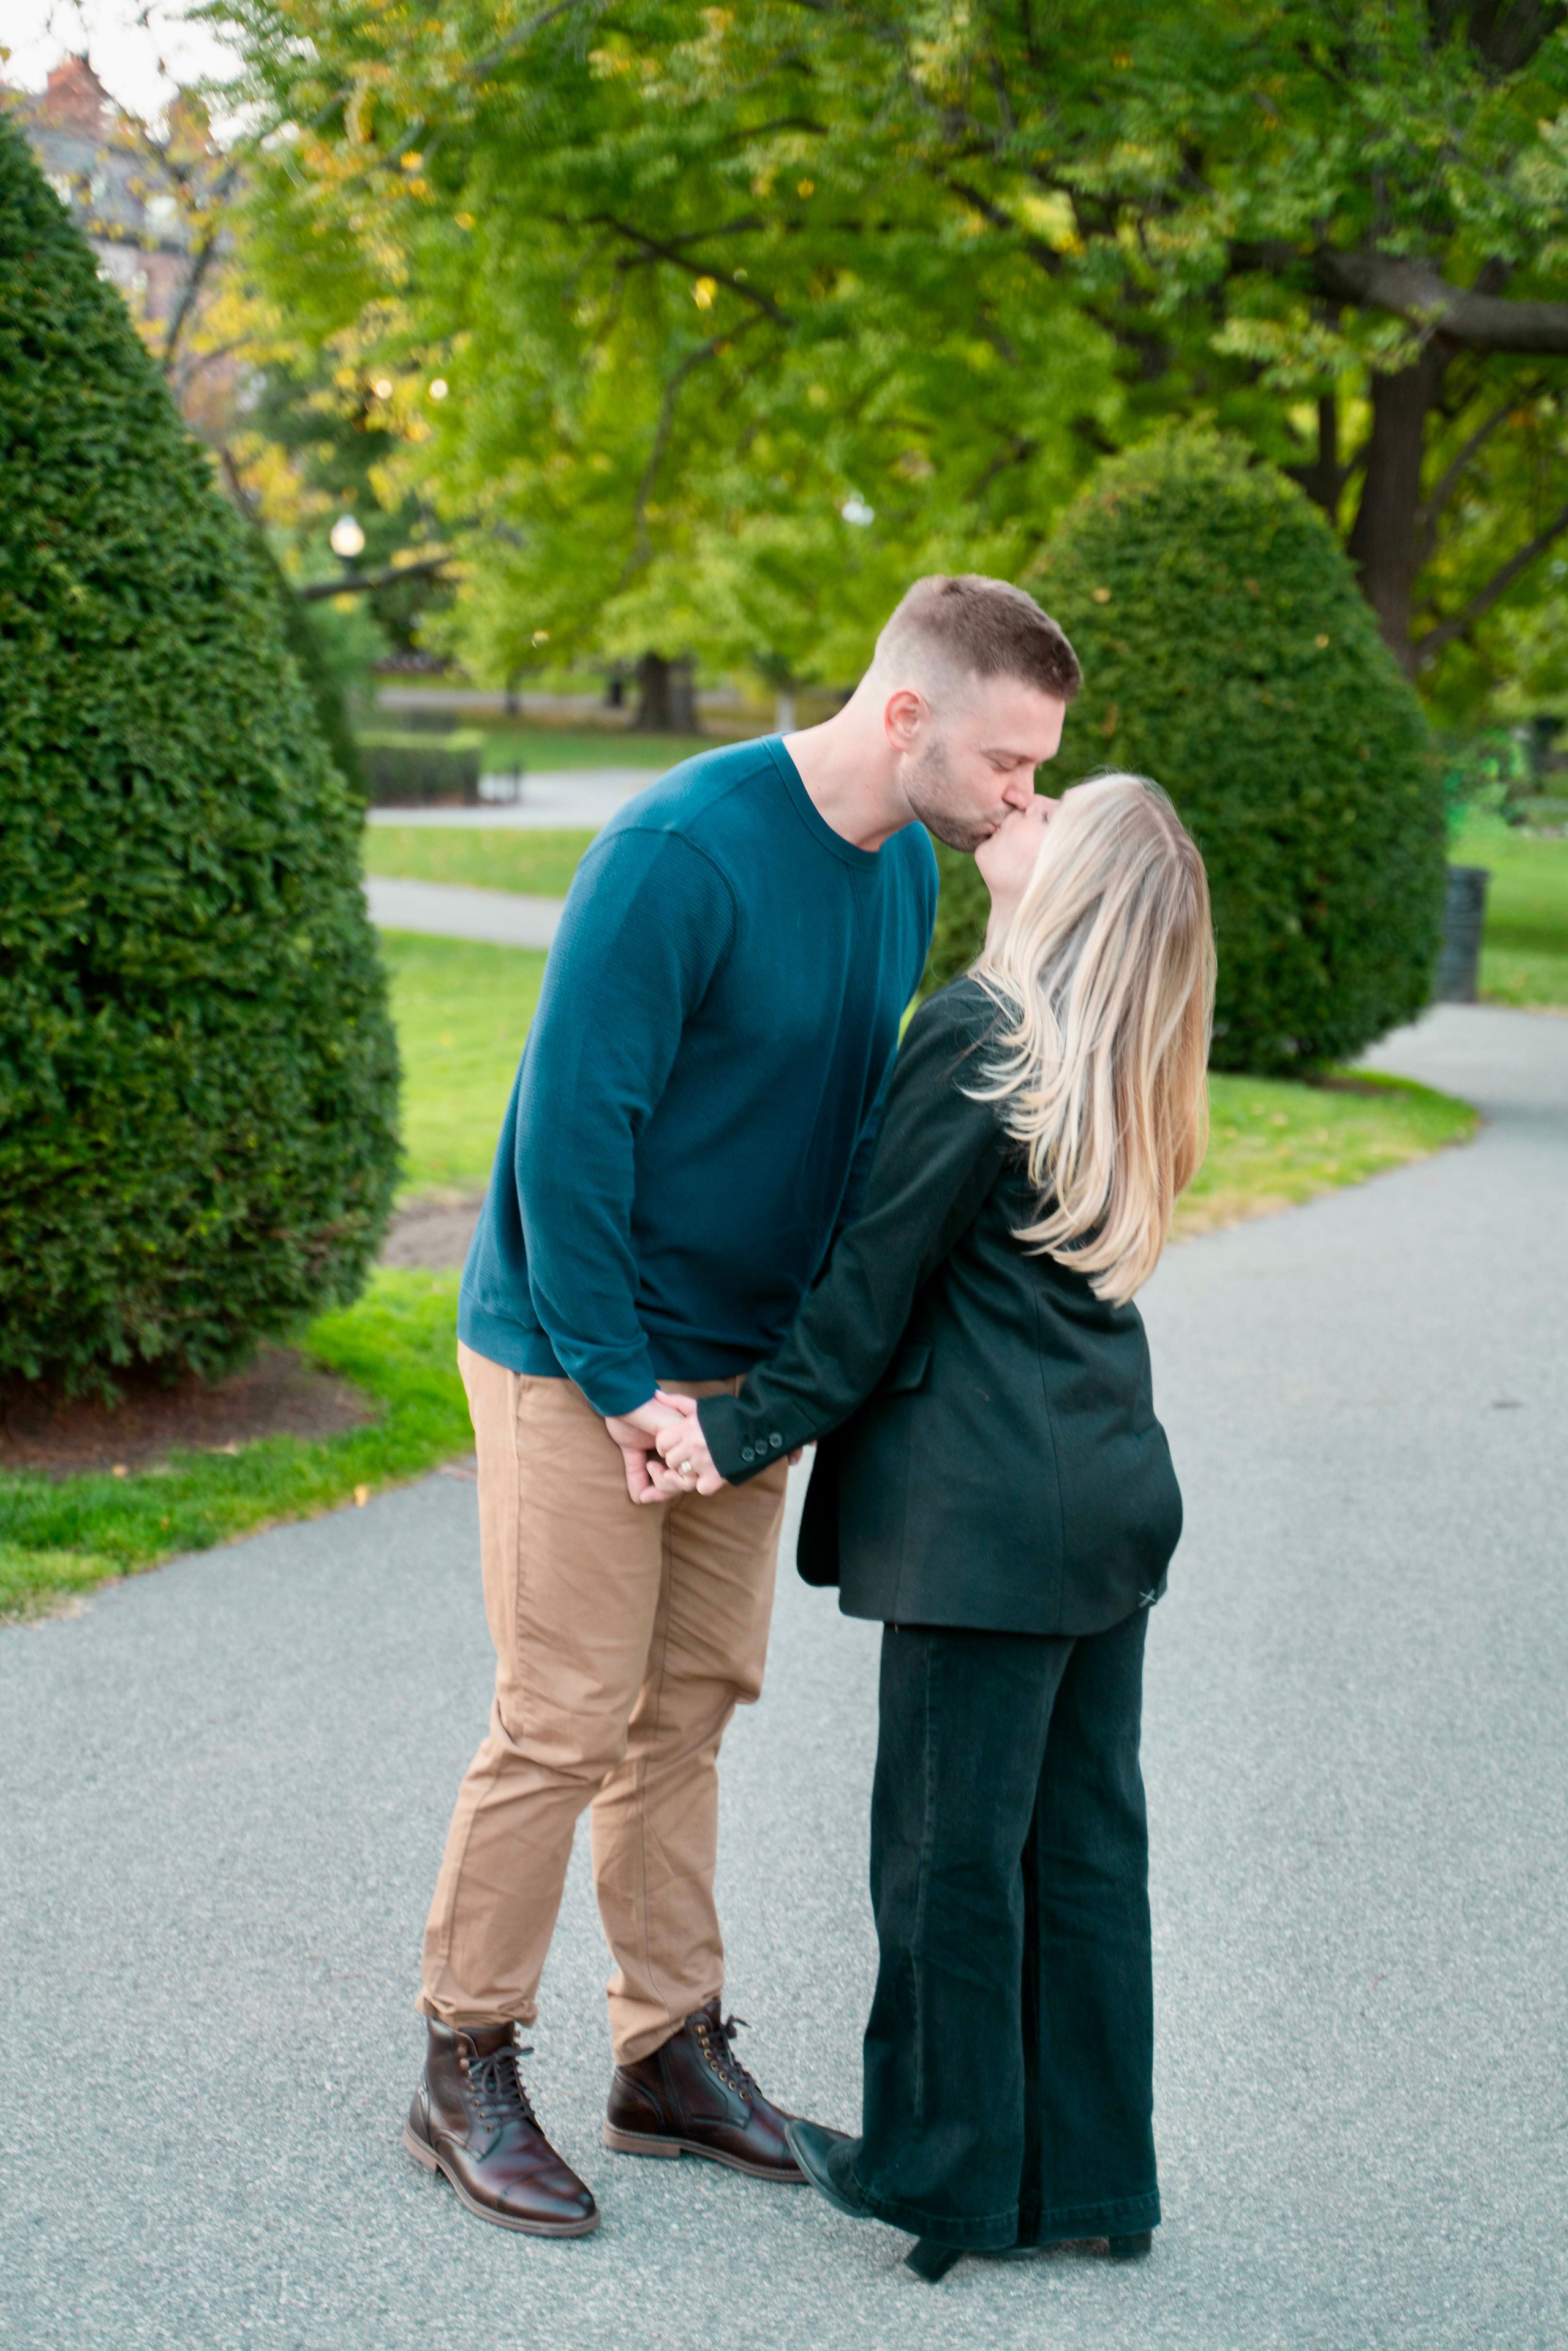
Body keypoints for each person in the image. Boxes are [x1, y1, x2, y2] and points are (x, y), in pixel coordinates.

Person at [402, 576, 1085, 2236]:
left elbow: (856, 1139)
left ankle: (666, 2050)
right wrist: (626, 1381)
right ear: (908, 713)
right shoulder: (679, 850)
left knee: (688, 1704)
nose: (1027, 798)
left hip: (736, 1375)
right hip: (582, 1347)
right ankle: (462, 2053)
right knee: (565, 1706)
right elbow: (572, 1137)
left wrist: (769, 1392)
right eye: (1010, 761)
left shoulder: (905, 868)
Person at [651, 772, 1214, 2278]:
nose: (1008, 818)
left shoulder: (980, 1033)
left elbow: (865, 1289)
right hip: (1104, 1496)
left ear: (1072, 886)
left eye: (1046, 818)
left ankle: (944, 2176)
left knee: (945, 1856)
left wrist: (726, 1431)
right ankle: (1097, 2174)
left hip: (984, 1526)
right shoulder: (1121, 1053)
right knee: (1084, 1846)